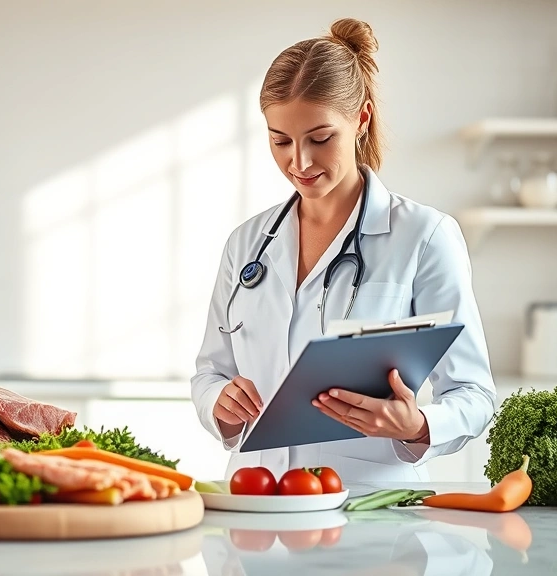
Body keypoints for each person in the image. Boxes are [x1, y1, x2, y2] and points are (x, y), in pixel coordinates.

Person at [190, 17, 495, 482]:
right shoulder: (247, 244)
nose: (299, 161)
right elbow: (210, 373)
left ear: (361, 120)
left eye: (320, 138)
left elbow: (474, 394)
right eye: (280, 140)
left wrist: (417, 424)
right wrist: (220, 403)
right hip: (256, 499)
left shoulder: (425, 236)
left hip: (367, 509)